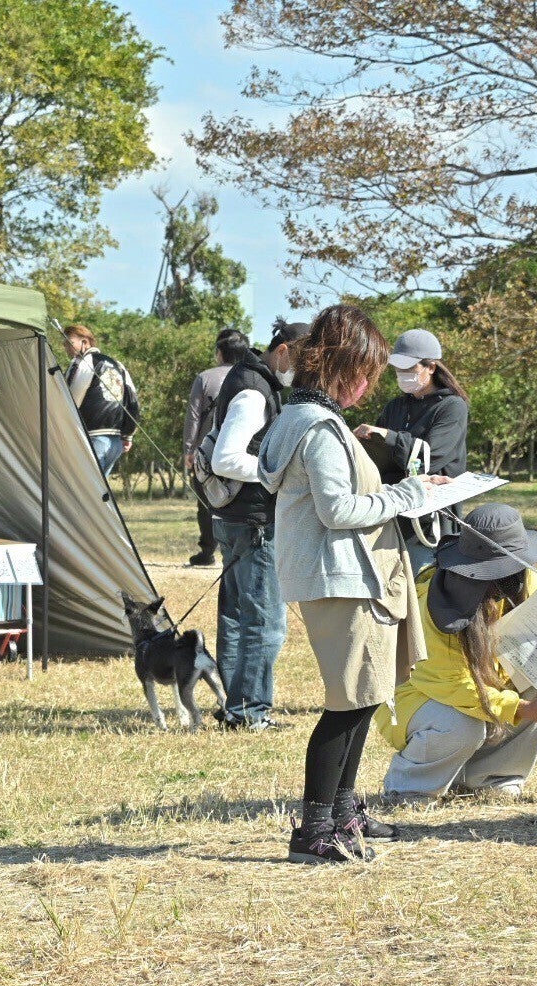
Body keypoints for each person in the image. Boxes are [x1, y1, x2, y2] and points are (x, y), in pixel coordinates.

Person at [257, 305, 448, 864]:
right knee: (347, 703)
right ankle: (313, 828)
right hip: (340, 574)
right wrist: (408, 494)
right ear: (338, 365)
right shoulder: (317, 427)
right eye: (363, 369)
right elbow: (338, 510)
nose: (369, 383)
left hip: (347, 572)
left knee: (364, 699)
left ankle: (342, 810)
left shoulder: (311, 417)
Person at [375, 503, 537, 804]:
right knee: (462, 723)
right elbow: (453, 685)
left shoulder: (528, 584)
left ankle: (492, 779)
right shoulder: (433, 604)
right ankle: (410, 789)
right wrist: (526, 709)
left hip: (482, 690)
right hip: (420, 698)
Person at [206, 319, 311, 730]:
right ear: (282, 351)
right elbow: (226, 459)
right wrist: (281, 472)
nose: (301, 375)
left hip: (234, 518)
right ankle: (248, 712)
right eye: (301, 363)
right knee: (265, 622)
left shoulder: (249, 378)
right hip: (253, 522)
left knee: (236, 616)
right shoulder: (253, 389)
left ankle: (236, 708)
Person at [354, 328, 470, 574]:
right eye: (398, 369)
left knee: (422, 590)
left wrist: (389, 437)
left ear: (431, 367)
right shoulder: (395, 406)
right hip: (392, 514)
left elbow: (432, 456)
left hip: (430, 522)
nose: (403, 375)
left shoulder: (452, 407)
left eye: (410, 369)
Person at [183, 328, 253, 566]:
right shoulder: (252, 378)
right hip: (243, 450)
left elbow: (193, 416)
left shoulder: (205, 377)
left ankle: (207, 551)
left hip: (207, 450)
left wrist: (188, 450)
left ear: (220, 353)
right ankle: (234, 549)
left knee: (205, 502)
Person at [63, 323, 139, 476]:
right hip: (115, 441)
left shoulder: (82, 363)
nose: (66, 347)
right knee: (100, 494)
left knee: (86, 492)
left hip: (91, 437)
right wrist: (128, 435)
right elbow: (133, 401)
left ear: (84, 342)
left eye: (69, 342)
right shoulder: (118, 365)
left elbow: (70, 400)